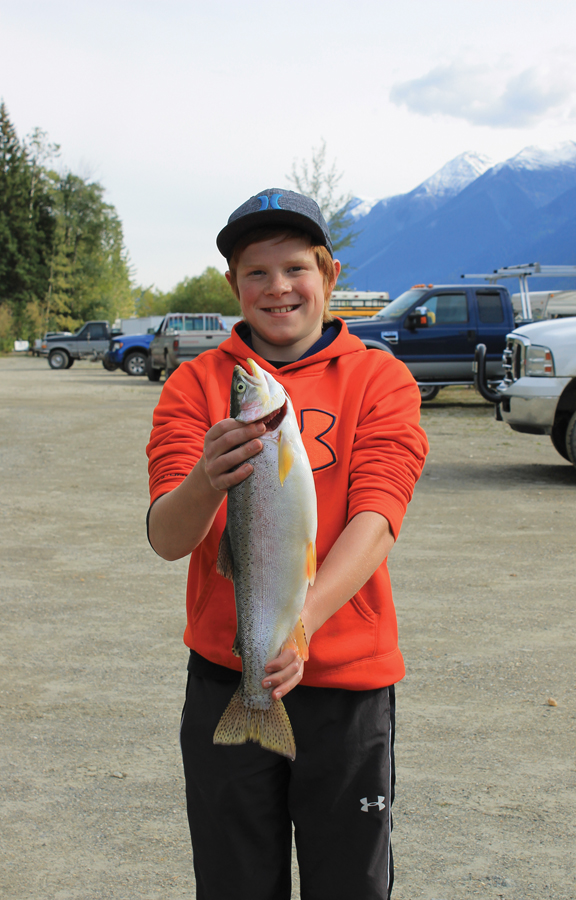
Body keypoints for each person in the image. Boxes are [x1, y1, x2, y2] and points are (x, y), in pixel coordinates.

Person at [146, 188, 429, 900]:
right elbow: (167, 538)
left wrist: (302, 625)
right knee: (235, 884)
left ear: (329, 274)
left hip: (347, 689)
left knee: (349, 884)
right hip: (228, 676)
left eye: (296, 268)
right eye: (256, 273)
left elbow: (378, 517)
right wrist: (207, 481)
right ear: (233, 285)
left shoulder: (381, 379)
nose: (278, 289)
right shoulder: (197, 383)